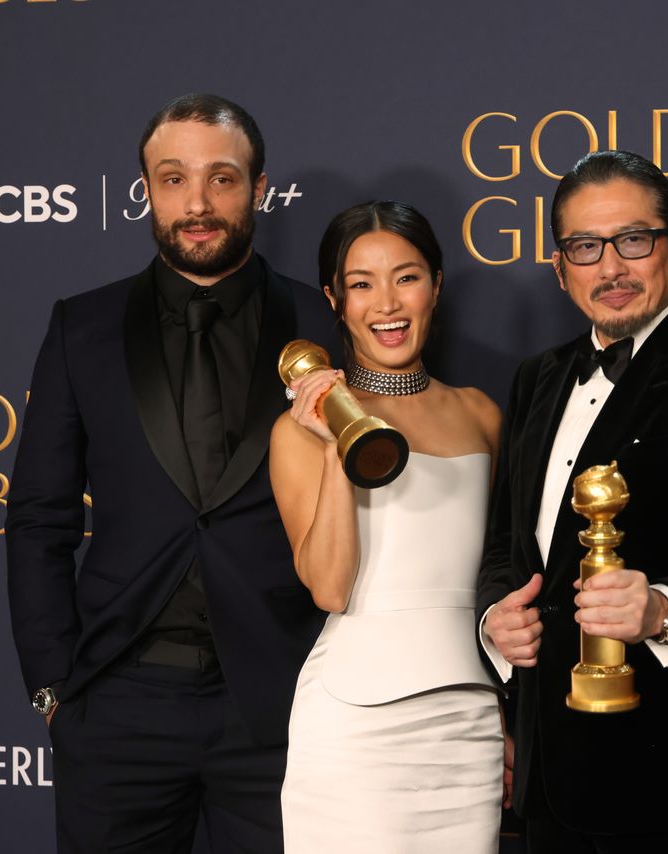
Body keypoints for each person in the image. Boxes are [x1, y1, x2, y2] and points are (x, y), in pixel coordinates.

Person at [5, 93, 334, 853]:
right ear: (145, 189)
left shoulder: (326, 324)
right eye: (173, 178)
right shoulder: (80, 326)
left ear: (258, 189)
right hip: (120, 699)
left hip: (282, 702)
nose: (197, 202)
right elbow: (39, 516)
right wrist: (54, 686)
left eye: (221, 179)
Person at [477, 149, 668, 853]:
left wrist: (660, 609)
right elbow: (508, 548)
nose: (610, 268)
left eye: (633, 240)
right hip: (546, 781)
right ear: (561, 269)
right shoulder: (536, 380)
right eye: (586, 247)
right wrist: (496, 619)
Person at [272, 201, 505, 853]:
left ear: (437, 284)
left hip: (468, 724)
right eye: (361, 283)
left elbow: (502, 575)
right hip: (353, 728)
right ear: (335, 300)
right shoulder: (298, 434)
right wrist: (337, 441)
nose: (387, 304)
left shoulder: (482, 414)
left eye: (406, 277)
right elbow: (329, 590)